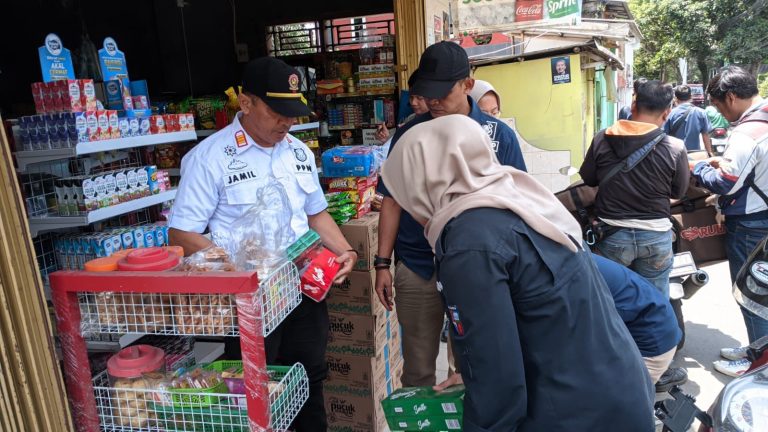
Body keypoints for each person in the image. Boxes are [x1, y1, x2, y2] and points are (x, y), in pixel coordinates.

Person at [382, 115, 654, 431]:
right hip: (614, 391)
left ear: (423, 180)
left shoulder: (467, 243)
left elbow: (496, 382)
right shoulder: (516, 197)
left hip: (573, 412)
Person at [168, 57, 357, 431]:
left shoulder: (299, 152)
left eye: (292, 112)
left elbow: (316, 213)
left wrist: (346, 251)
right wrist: (239, 271)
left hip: (303, 288)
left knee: (309, 376)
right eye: (276, 112)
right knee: (253, 388)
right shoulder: (210, 158)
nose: (287, 122)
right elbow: (181, 234)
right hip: (250, 299)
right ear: (246, 103)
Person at [375, 41, 527, 388]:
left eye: (442, 93)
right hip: (417, 266)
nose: (433, 103)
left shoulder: (498, 136)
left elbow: (515, 203)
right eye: (427, 94)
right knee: (417, 371)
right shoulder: (411, 132)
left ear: (467, 85)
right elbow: (392, 199)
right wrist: (383, 264)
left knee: (472, 369)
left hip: (478, 271)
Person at [580, 79, 689, 298]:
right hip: (656, 237)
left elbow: (589, 179)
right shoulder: (675, 147)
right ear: (667, 112)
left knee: (610, 301)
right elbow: (678, 192)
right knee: (656, 301)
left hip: (611, 235)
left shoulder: (601, 139)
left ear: (633, 106)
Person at [692, 65, 768, 377]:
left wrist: (700, 169)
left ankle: (757, 366)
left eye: (720, 105)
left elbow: (725, 182)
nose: (721, 113)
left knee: (751, 294)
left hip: (751, 225)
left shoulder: (746, 133)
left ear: (733, 97)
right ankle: (758, 350)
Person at [592, 254, 683, 388]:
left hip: (652, 347)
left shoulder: (573, 275)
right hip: (654, 325)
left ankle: (646, 382)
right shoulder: (573, 253)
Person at [664, 85, 713, 154]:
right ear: (691, 96)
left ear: (675, 98)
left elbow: (664, 136)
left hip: (675, 155)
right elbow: (705, 135)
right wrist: (709, 153)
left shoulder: (670, 114)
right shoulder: (701, 113)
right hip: (694, 155)